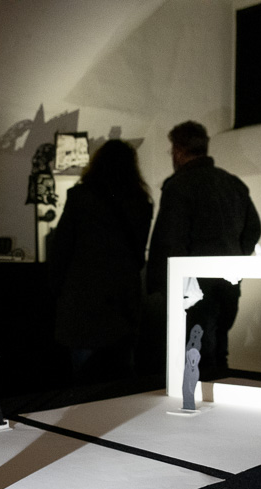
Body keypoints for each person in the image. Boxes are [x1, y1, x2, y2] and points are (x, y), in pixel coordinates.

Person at [146, 120, 261, 378]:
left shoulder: (179, 185)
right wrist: (236, 258)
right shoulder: (233, 184)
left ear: (178, 151)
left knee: (194, 357)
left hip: (193, 288)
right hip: (228, 284)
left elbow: (169, 241)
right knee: (218, 352)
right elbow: (254, 229)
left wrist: (161, 286)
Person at [48, 139, 154, 383]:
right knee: (120, 376)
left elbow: (61, 249)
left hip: (83, 300)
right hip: (123, 302)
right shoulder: (141, 202)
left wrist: (57, 291)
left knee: (85, 379)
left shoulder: (81, 197)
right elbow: (138, 256)